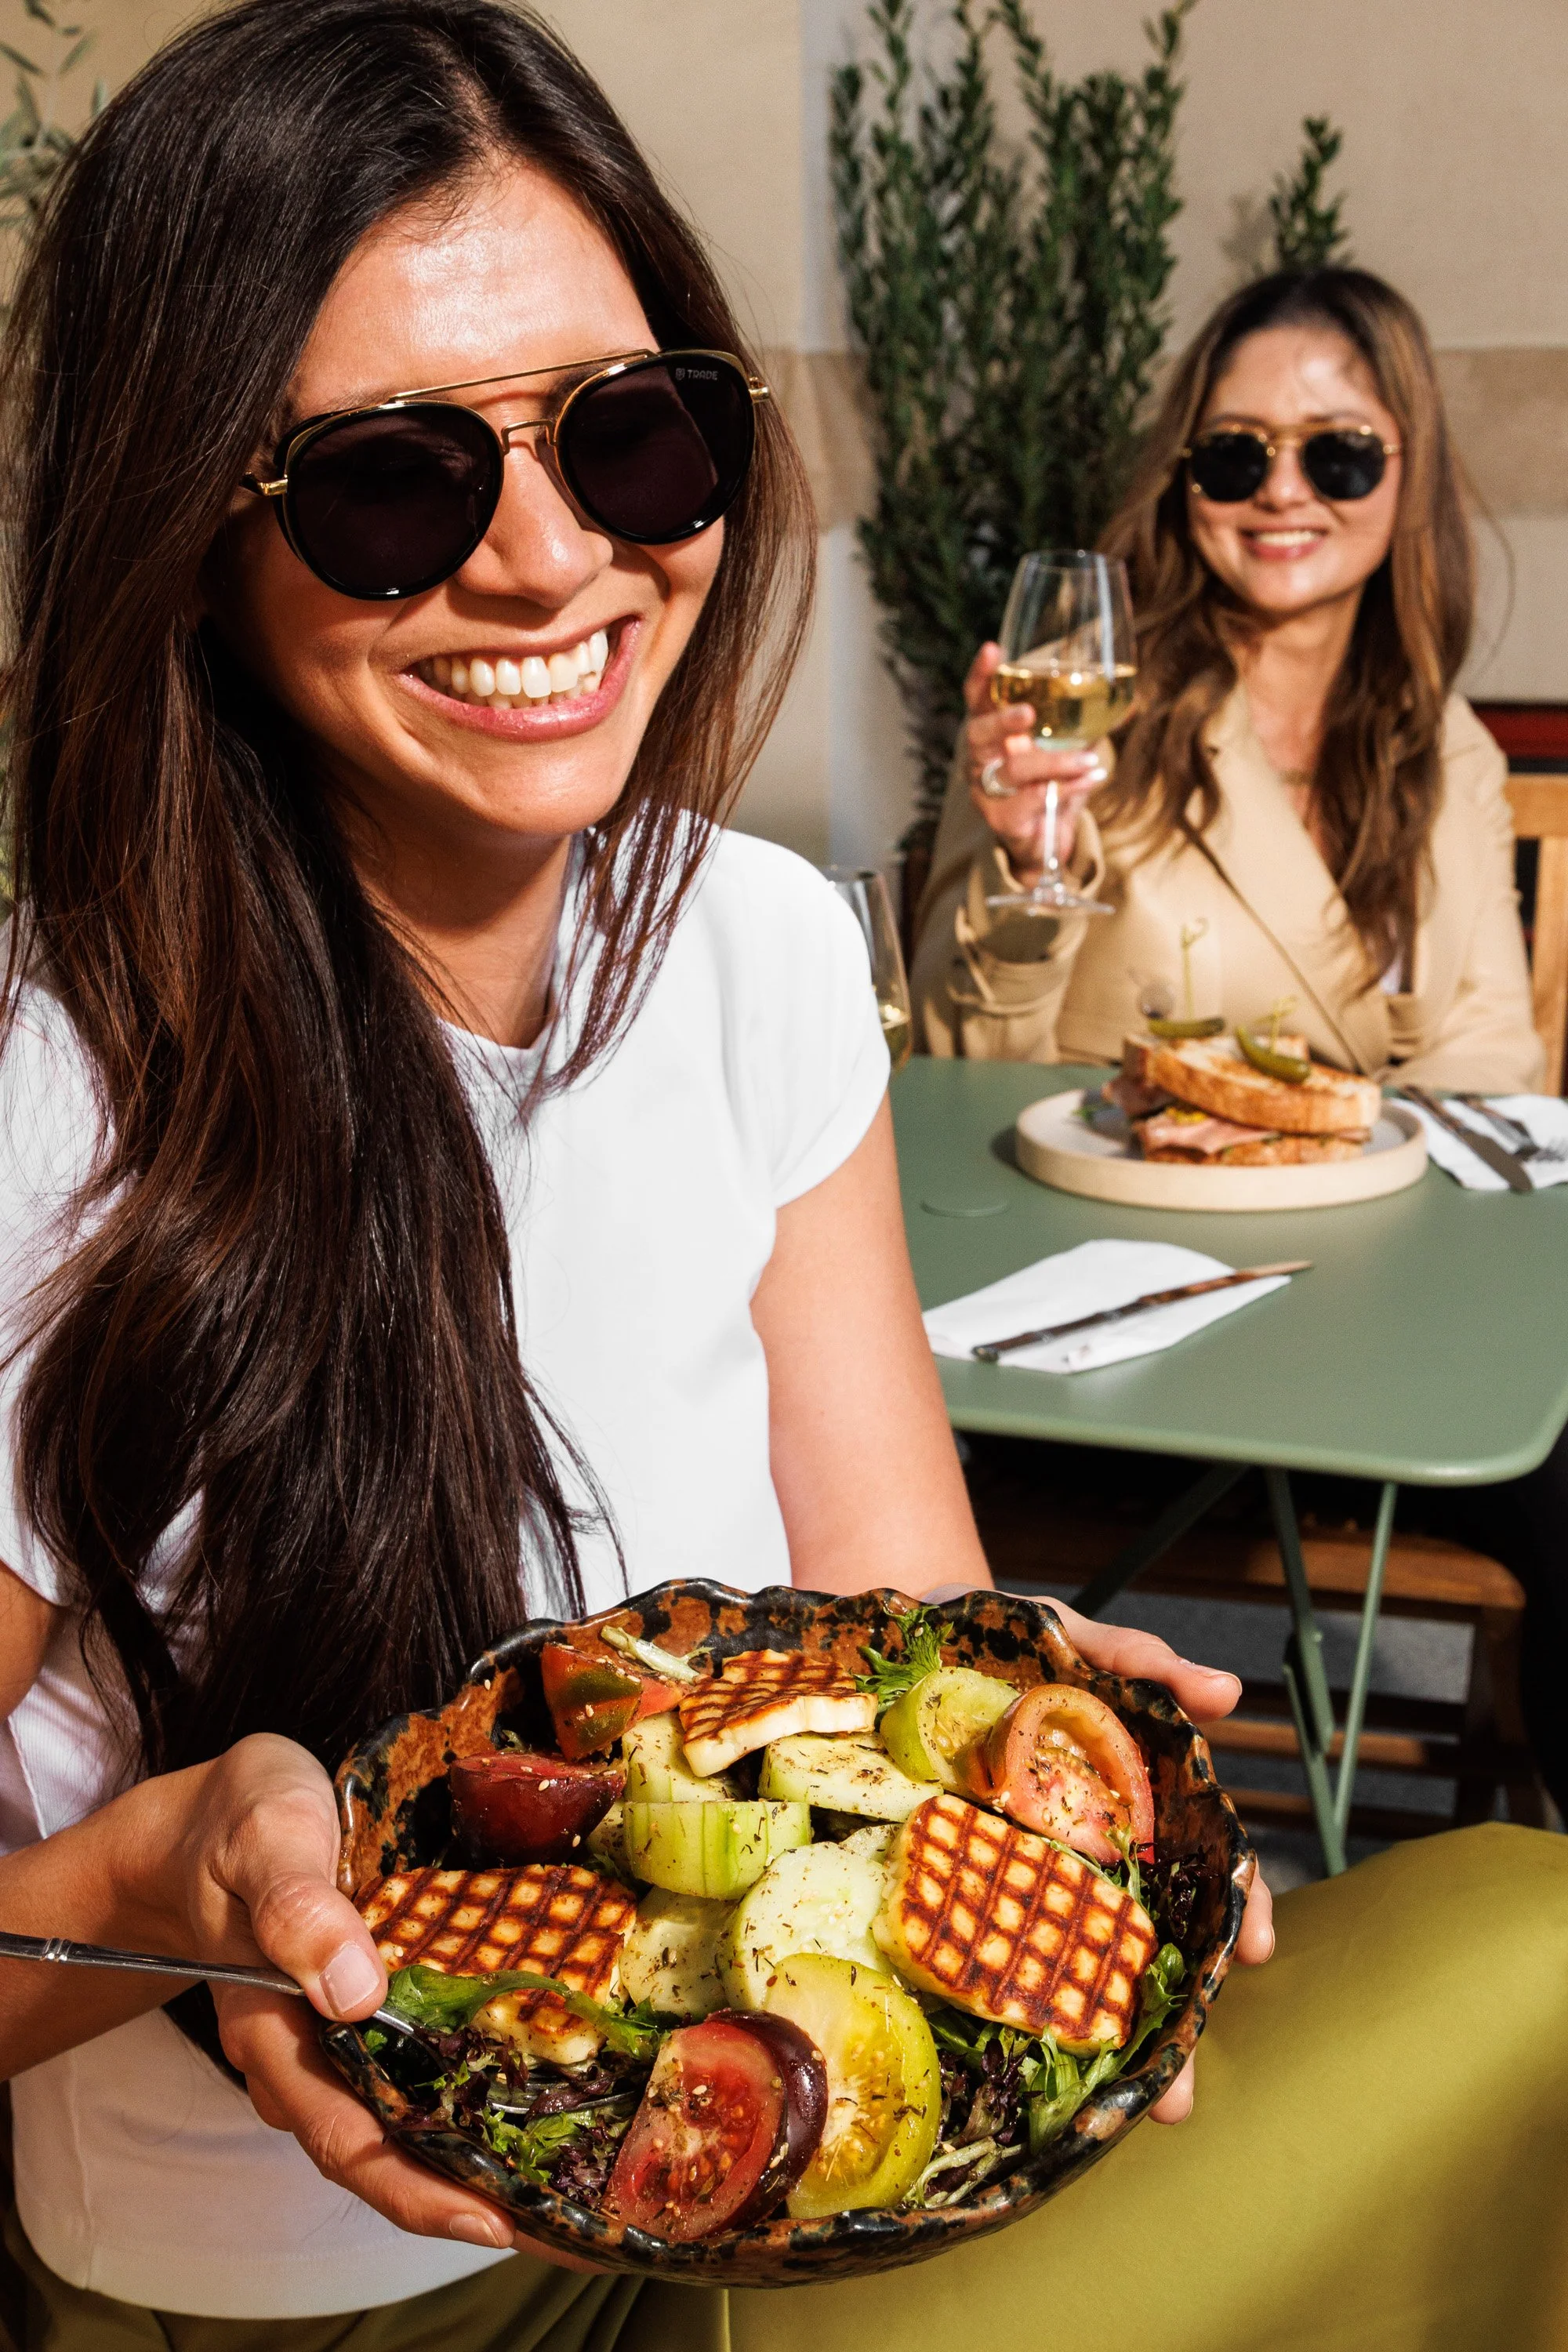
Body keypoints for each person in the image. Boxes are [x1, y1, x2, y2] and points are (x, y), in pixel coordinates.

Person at [0, 11, 1561, 2351]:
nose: (554, 564)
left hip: (817, 2166)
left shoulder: (752, 948)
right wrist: (142, 1879)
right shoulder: (52, 1092)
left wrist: (1028, 1744)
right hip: (322, 2289)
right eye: (390, 487)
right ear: (184, 534)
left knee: (1523, 1936)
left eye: (634, 438)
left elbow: (892, 1603)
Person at [911, 267, 1544, 1091]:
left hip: (1368, 1204)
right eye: (1234, 455)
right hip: (1111, 1205)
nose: (1281, 491)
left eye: (1337, 455)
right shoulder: (1069, 717)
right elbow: (948, 1081)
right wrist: (1028, 876)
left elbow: (1493, 1059)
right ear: (1183, 477)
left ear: (1409, 469)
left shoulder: (1448, 744)